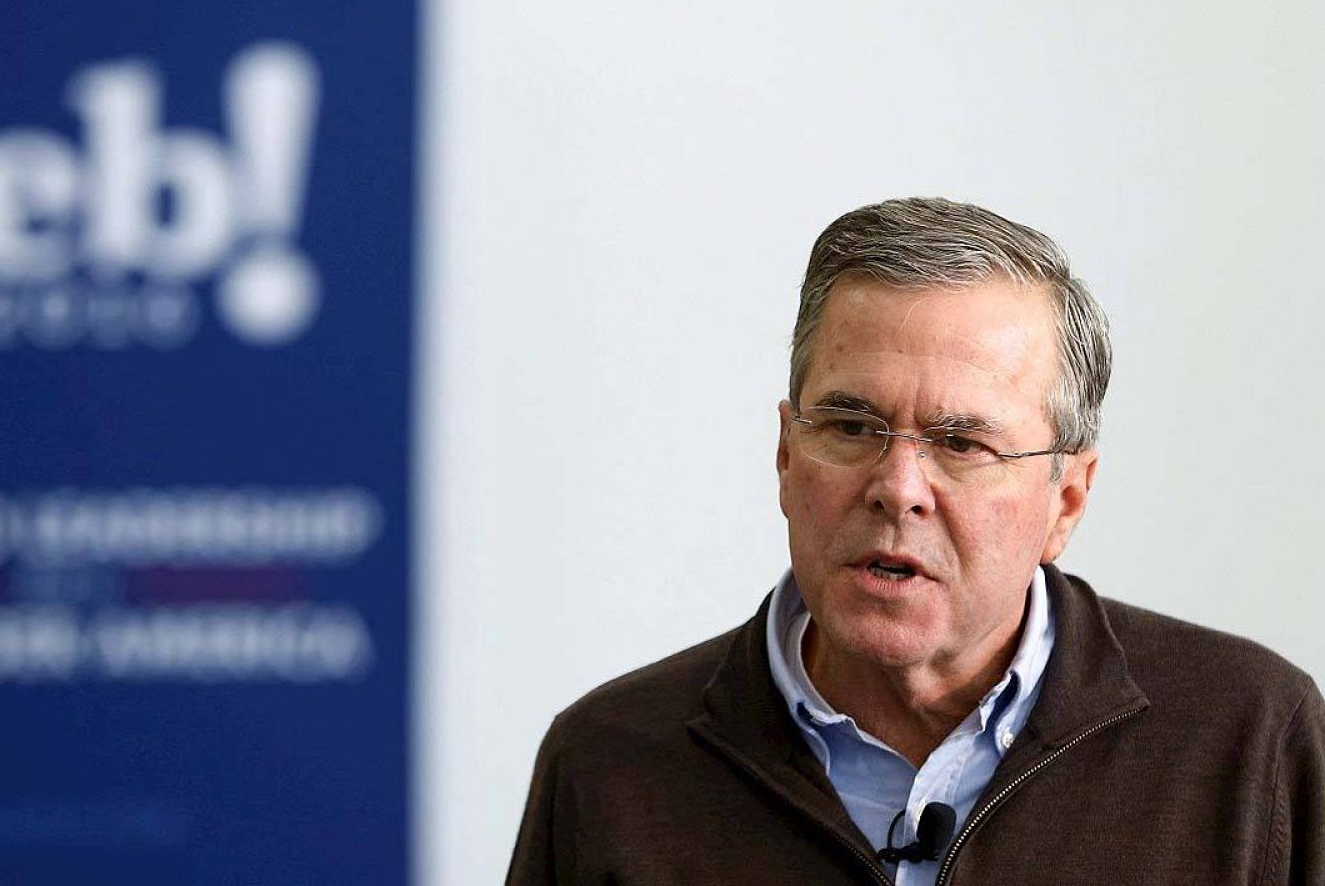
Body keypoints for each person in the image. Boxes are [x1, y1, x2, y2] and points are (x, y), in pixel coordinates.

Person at [506, 197, 1324, 885]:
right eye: (851, 426)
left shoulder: (1250, 739)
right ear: (786, 456)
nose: (897, 487)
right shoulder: (610, 760)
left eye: (962, 443)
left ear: (1066, 500)